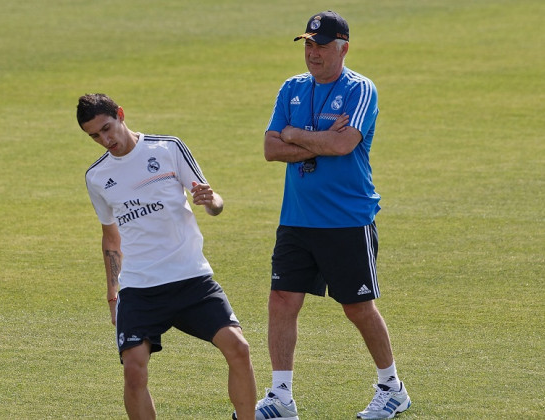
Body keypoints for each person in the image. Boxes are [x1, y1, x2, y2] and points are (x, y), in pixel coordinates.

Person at [243, 10, 411, 420]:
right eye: (309, 45)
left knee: (357, 306)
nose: (312, 53)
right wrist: (317, 138)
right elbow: (270, 149)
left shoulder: (360, 89)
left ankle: (392, 388)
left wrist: (294, 134)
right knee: (282, 301)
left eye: (321, 45)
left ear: (343, 48)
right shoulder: (292, 88)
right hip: (297, 218)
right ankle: (281, 397)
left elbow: (344, 145)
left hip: (346, 218)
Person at [78, 93, 257, 420]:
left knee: (239, 349)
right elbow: (110, 238)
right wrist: (111, 295)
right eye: (95, 136)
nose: (105, 140)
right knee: (134, 372)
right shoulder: (97, 177)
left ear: (120, 114)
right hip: (139, 289)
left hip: (191, 280)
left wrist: (211, 201)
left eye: (107, 129)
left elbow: (213, 201)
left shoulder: (168, 148)